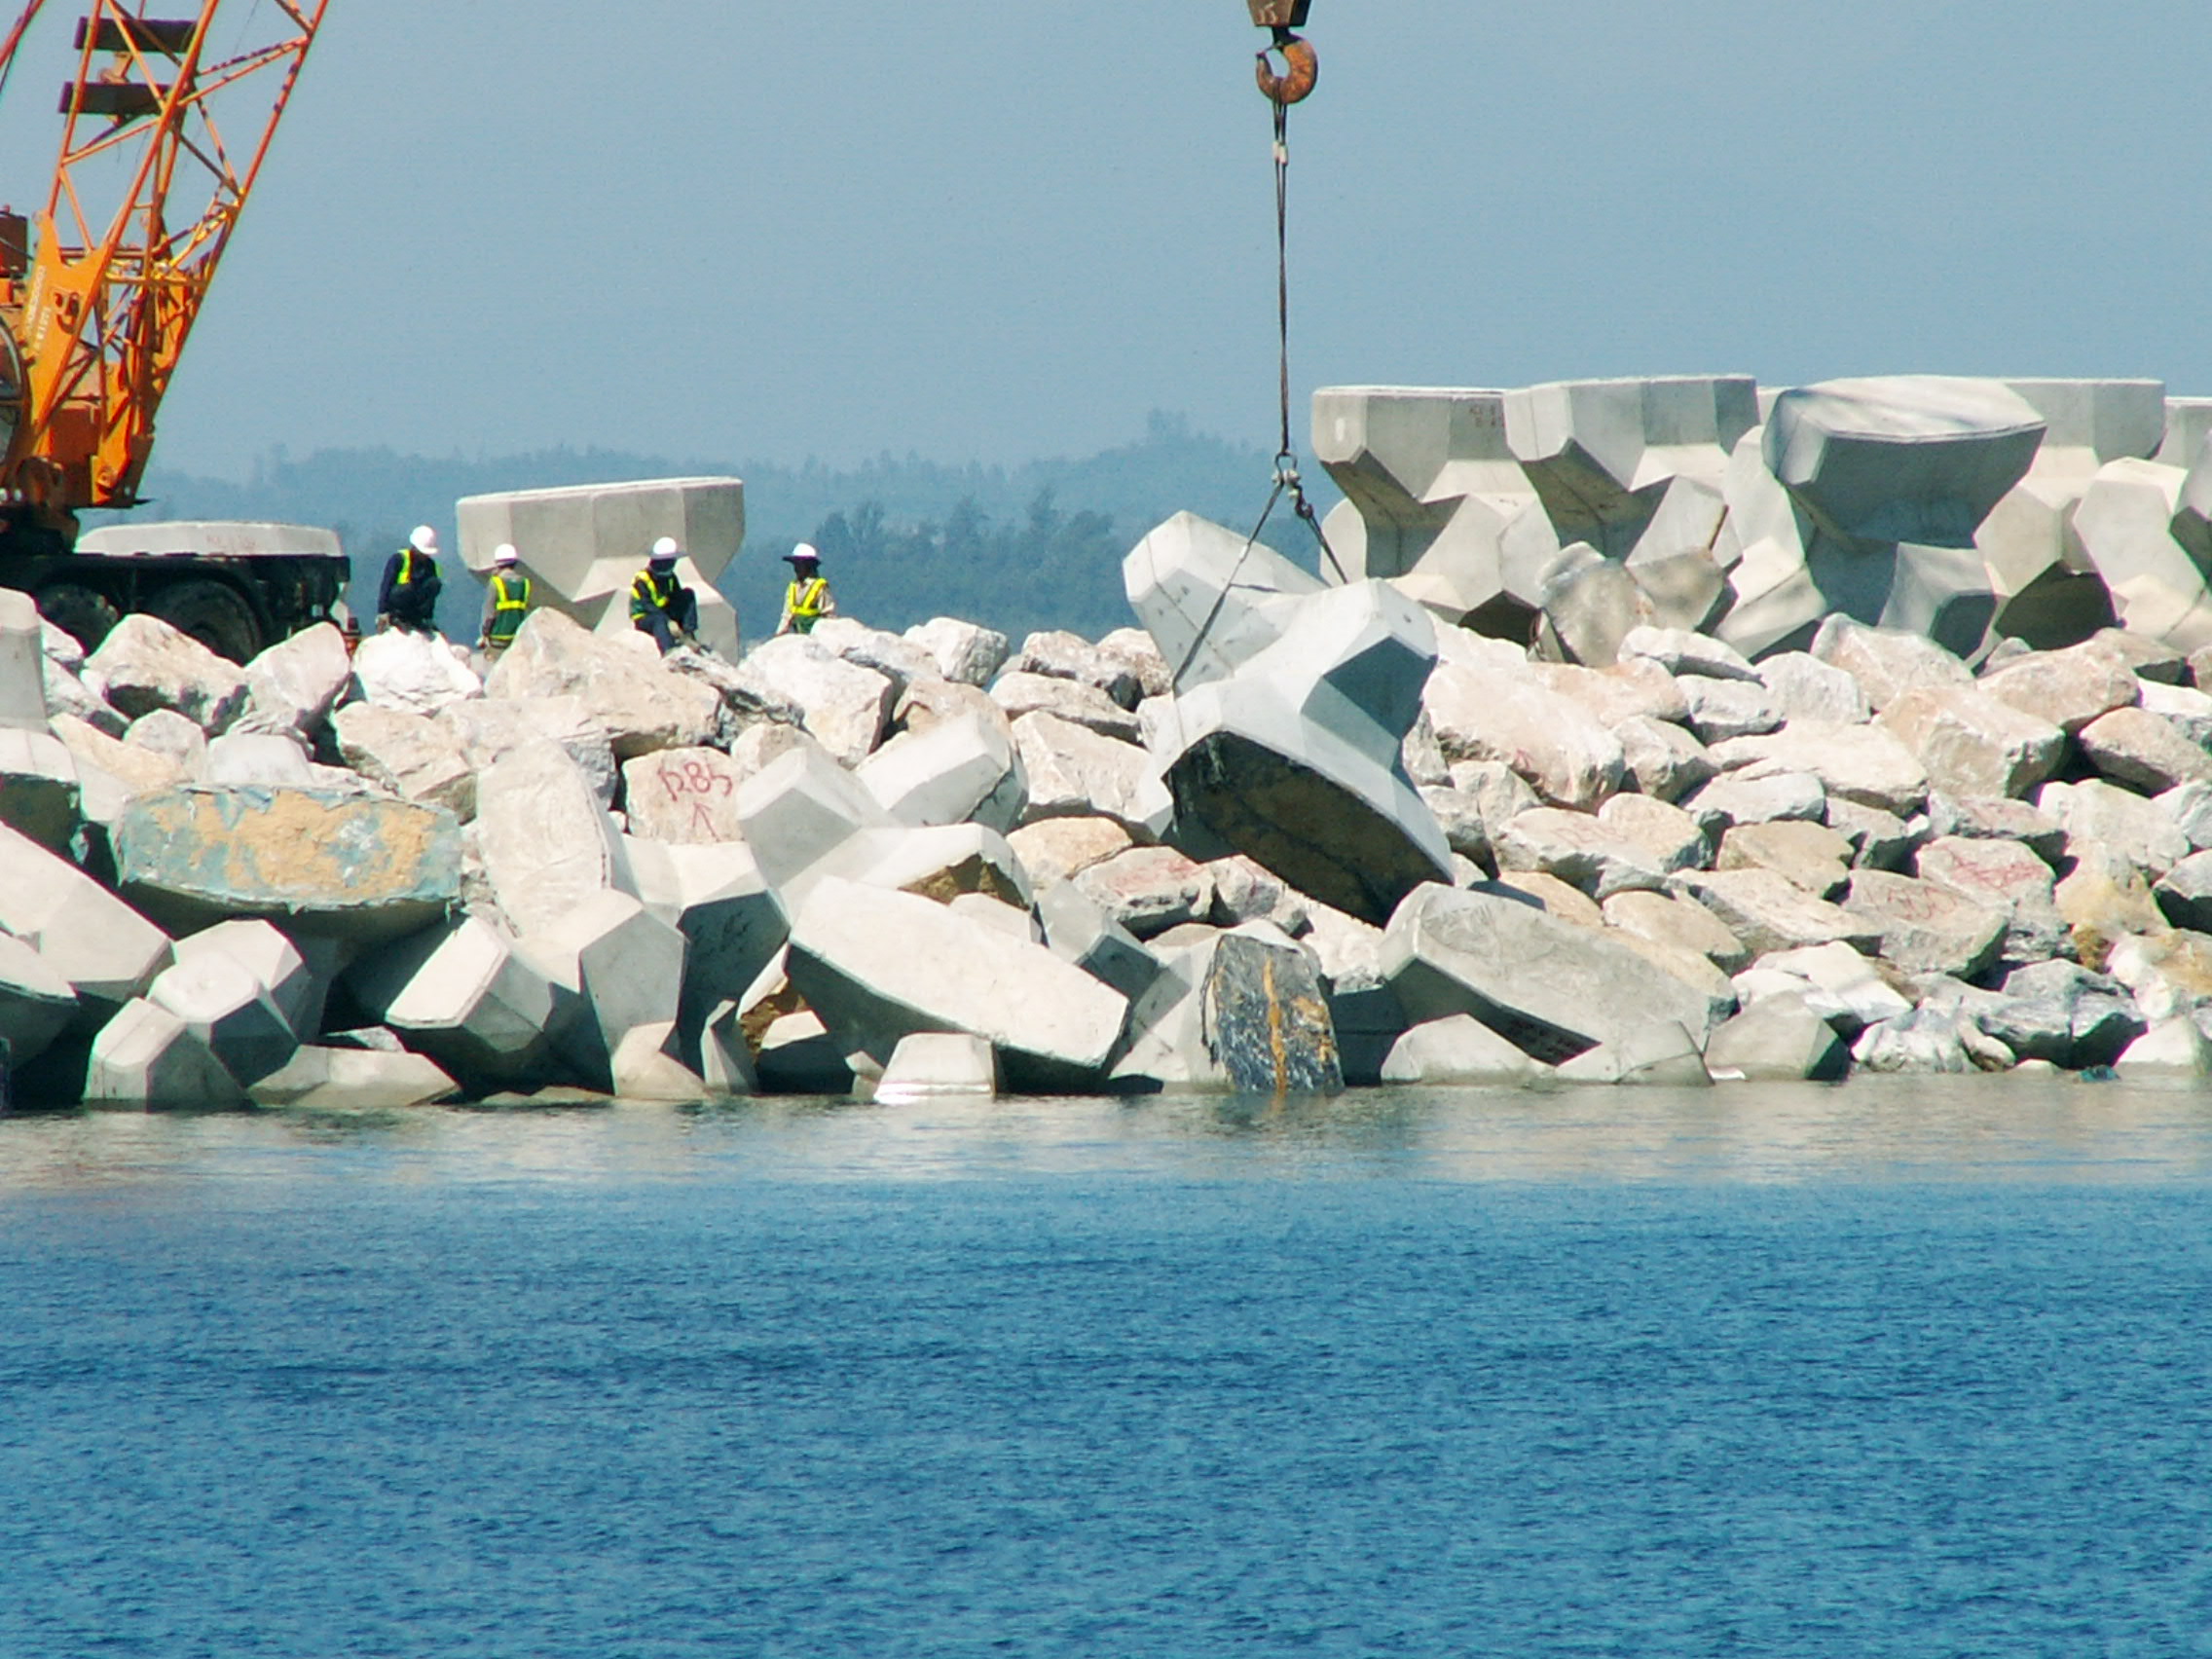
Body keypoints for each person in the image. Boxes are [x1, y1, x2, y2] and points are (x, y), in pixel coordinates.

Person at [629, 536, 699, 653]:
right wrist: (668, 621)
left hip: (664, 611)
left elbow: (676, 596)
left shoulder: (670, 577)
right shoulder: (642, 579)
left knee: (688, 595)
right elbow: (648, 605)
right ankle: (668, 649)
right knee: (659, 619)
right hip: (645, 617)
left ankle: (688, 635)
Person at [379, 525, 443, 635]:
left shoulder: (430, 565)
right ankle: (398, 618)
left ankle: (420, 620)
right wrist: (382, 612)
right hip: (398, 604)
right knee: (407, 588)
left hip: (417, 607)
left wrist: (428, 617)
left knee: (434, 583)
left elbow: (430, 595)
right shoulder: (399, 559)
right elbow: (386, 585)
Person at [478, 543, 531, 657]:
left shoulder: (496, 582)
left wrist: (484, 635)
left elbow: (489, 613)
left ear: (497, 563)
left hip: (498, 638)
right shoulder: (524, 583)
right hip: (517, 637)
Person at [776, 543, 834, 636]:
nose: (796, 568)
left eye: (800, 564)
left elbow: (828, 614)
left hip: (816, 635)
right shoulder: (793, 586)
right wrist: (779, 633)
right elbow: (787, 614)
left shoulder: (819, 586)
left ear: (809, 565)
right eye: (795, 564)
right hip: (798, 633)